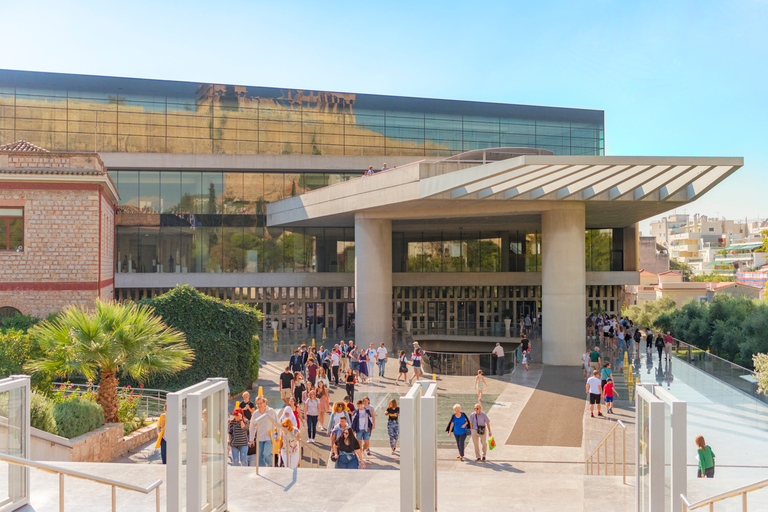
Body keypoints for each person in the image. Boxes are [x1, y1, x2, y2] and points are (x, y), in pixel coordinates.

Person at [249, 397, 278, 467]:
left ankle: (271, 466)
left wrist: (279, 436)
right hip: (259, 438)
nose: (259, 405)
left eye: (261, 403)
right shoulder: (255, 414)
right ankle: (262, 469)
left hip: (269, 437)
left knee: (266, 454)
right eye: (257, 404)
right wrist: (251, 440)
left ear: (265, 403)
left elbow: (277, 423)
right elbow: (252, 427)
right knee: (259, 456)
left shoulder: (271, 411)